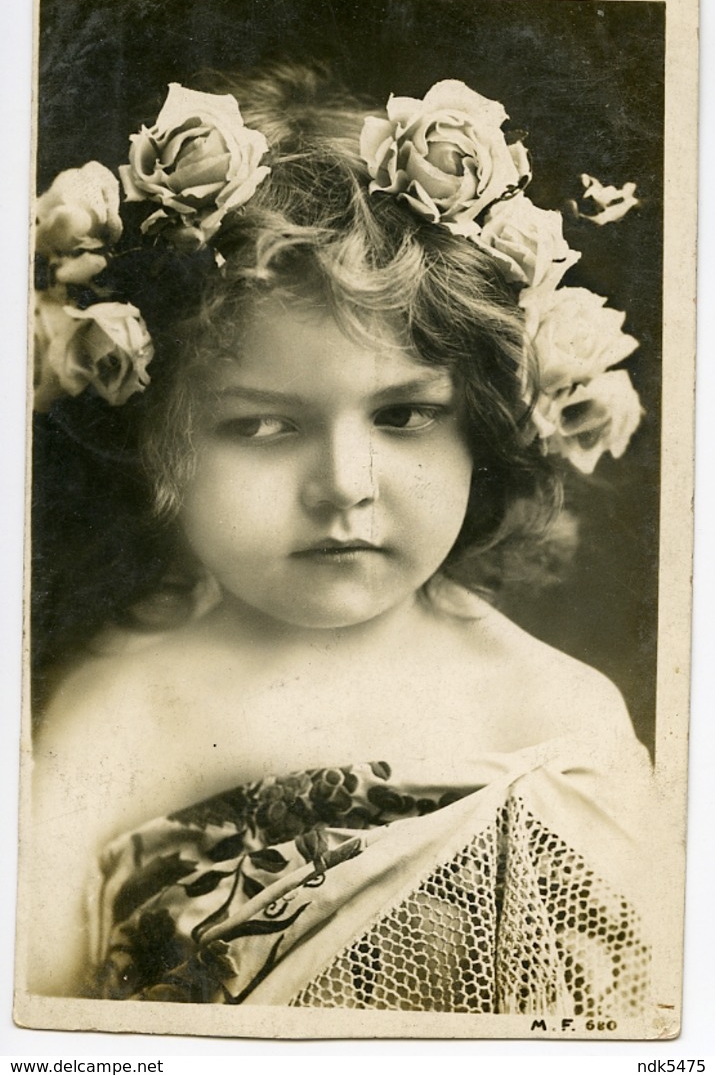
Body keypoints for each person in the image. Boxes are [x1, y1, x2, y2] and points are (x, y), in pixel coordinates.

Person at [27, 65, 653, 1015]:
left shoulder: (556, 718)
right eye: (264, 427)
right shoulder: (116, 709)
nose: (344, 488)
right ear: (151, 433)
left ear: (483, 425)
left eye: (403, 416)